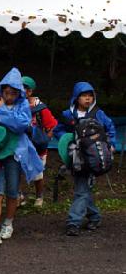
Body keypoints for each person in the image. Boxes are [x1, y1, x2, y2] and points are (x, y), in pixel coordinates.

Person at [0, 68, 43, 247]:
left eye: (13, 93)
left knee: (12, 192)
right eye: (6, 92)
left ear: (19, 92)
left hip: (15, 154)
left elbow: (20, 125)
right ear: (2, 91)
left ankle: (9, 223)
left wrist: (2, 110)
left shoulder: (22, 106)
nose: (9, 96)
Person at [53, 82, 116, 236]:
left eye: (90, 96)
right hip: (75, 157)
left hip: (93, 157)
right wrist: (68, 140)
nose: (88, 99)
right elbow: (58, 130)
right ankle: (95, 217)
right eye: (84, 96)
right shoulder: (68, 114)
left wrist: (111, 144)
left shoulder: (98, 113)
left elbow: (110, 127)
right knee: (83, 189)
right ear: (76, 97)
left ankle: (73, 223)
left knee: (81, 190)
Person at [21, 76, 57, 208]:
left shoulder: (40, 108)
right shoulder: (15, 106)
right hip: (21, 145)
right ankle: (19, 196)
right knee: (17, 171)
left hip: (37, 147)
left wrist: (45, 138)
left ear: (30, 91)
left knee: (38, 173)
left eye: (24, 88)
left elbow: (52, 125)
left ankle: (39, 196)